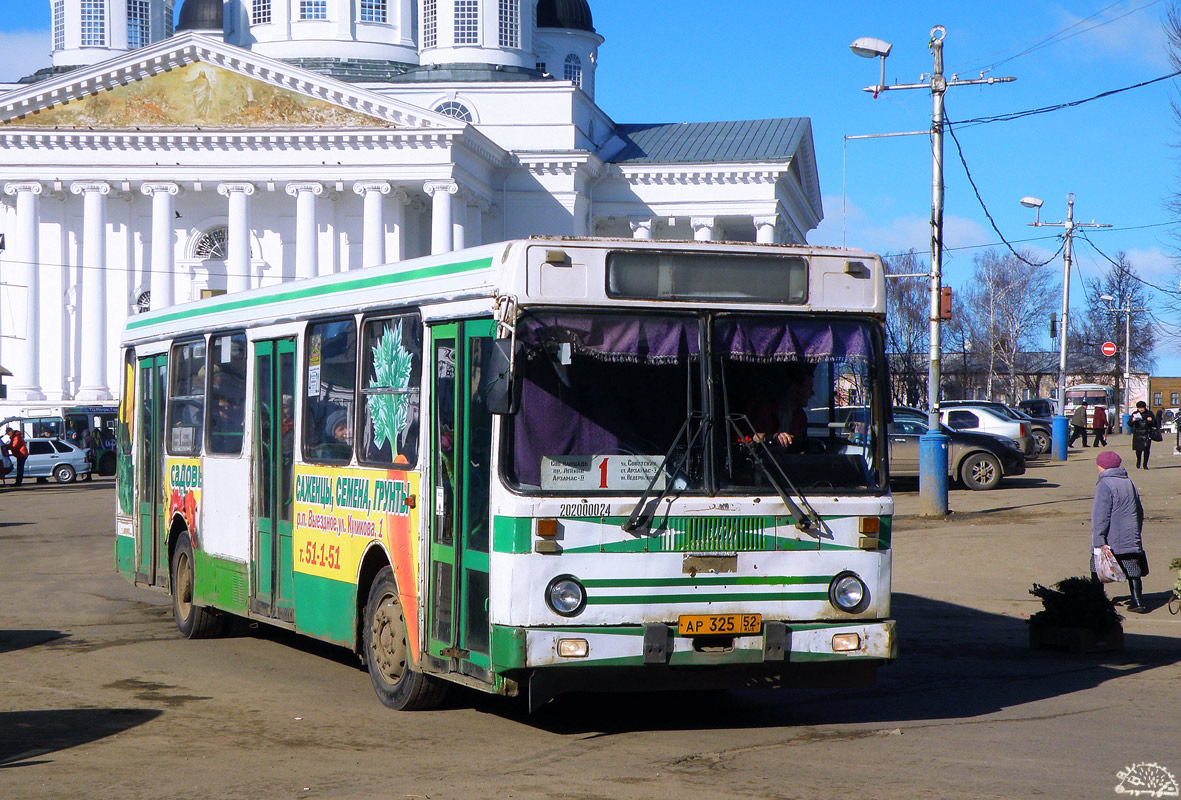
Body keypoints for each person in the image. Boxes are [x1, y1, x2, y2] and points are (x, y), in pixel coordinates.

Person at [1091, 450, 1150, 613]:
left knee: (1097, 568)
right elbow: (1139, 510)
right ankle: (1138, 601)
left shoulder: (1104, 484)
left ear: (1105, 467)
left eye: (1099, 465)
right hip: (1130, 537)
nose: (1097, 468)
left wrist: (1098, 539)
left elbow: (1100, 515)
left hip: (1111, 538)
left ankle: (1097, 601)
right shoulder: (1128, 482)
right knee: (1133, 569)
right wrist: (1136, 531)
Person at [1129, 401, 1157, 469]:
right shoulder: (1135, 414)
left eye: (1142, 408)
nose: (1140, 409)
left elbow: (1155, 424)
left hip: (1146, 434)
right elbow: (1129, 424)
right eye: (1139, 408)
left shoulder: (1149, 413)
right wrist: (1133, 420)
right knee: (1138, 450)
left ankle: (1145, 464)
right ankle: (1138, 460)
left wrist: (1150, 421)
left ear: (1144, 407)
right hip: (1137, 434)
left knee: (1146, 449)